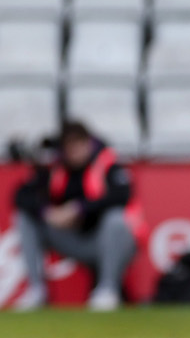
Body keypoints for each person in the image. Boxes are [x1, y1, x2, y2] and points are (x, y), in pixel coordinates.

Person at [12, 121, 145, 312]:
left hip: (110, 241)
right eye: (70, 147)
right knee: (25, 219)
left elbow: (121, 195)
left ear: (88, 143)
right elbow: (20, 195)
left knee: (115, 219)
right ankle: (36, 290)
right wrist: (48, 213)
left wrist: (79, 209)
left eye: (79, 145)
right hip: (75, 238)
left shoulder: (108, 163)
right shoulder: (55, 168)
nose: (75, 152)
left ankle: (108, 290)